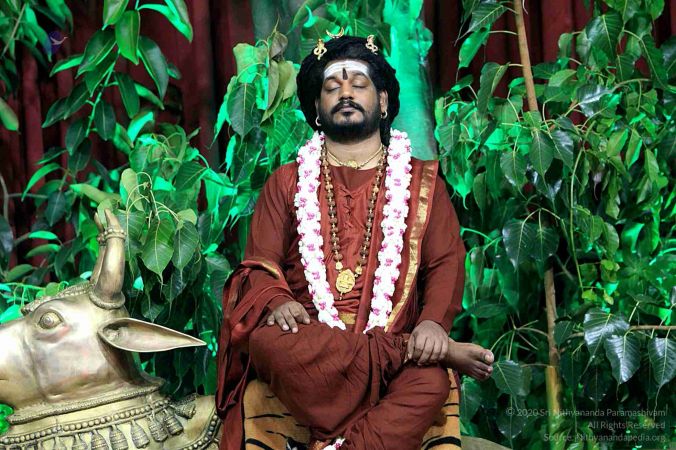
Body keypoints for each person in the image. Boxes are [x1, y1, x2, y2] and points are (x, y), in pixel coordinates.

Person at [216, 35, 494, 450]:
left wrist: (433, 323)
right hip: (310, 345)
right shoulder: (287, 181)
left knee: (429, 381)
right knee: (267, 342)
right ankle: (396, 359)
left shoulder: (421, 183)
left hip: (387, 342)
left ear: (382, 102)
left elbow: (445, 262)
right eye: (332, 87)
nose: (345, 93)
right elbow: (258, 264)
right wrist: (277, 300)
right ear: (316, 108)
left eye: (358, 84)